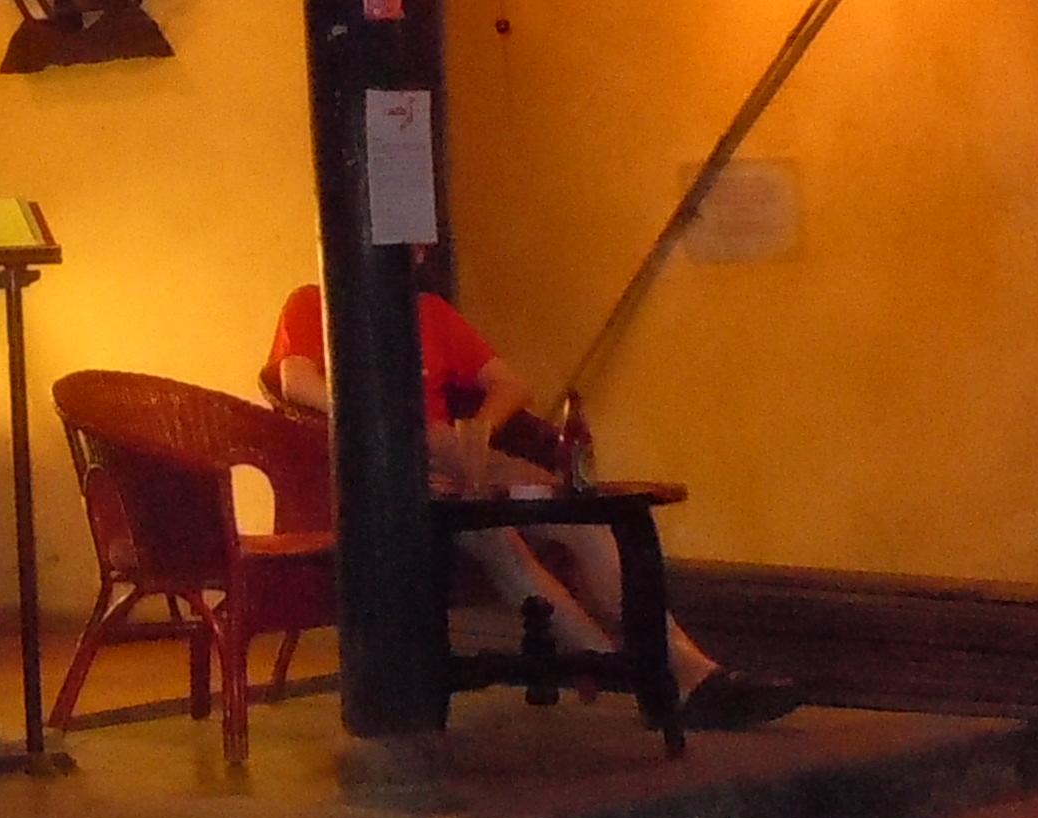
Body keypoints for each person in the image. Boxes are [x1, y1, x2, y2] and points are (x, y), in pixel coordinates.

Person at [266, 265, 800, 730]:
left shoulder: (430, 311)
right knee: (500, 542)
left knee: (589, 525)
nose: (412, 253)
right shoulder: (314, 303)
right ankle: (632, 673)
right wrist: (392, 427)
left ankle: (688, 669)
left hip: (456, 452)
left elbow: (511, 385)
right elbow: (296, 384)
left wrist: (478, 431)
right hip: (377, 468)